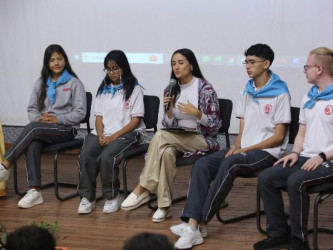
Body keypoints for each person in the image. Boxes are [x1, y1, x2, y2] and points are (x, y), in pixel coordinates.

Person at [170, 43, 291, 249]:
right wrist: (236, 146)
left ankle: (197, 223)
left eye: (252, 62)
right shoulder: (247, 89)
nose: (247, 66)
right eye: (246, 62)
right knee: (203, 165)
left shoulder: (280, 92)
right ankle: (193, 224)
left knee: (232, 163)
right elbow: (243, 127)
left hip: (267, 152)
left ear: (266, 64)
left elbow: (279, 137)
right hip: (244, 149)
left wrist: (244, 151)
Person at [253, 47, 333, 250]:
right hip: (307, 157)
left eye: (307, 66)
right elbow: (301, 132)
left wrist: (323, 156)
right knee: (267, 177)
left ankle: (299, 241)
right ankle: (279, 233)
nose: (304, 70)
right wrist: (294, 152)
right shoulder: (309, 97)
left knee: (296, 181)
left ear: (319, 69)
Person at [121, 48, 222, 223]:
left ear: (191, 65)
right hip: (176, 138)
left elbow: (215, 126)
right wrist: (169, 110)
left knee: (160, 136)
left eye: (181, 63)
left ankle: (144, 186)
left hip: (200, 138)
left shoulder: (205, 88)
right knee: (166, 152)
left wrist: (198, 114)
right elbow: (167, 126)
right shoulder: (170, 89)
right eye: (173, 63)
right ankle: (164, 206)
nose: (176, 67)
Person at [0, 44, 86, 208]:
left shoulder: (75, 83)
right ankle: (34, 191)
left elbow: (80, 113)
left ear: (65, 60)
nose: (56, 63)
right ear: (47, 63)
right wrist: (39, 118)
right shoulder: (41, 83)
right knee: (33, 140)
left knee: (33, 129)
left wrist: (57, 119)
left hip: (66, 130)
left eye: (59, 59)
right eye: (52, 60)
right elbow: (31, 109)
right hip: (42, 129)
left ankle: (5, 165)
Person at [77, 50, 145, 214]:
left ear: (124, 67)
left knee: (108, 156)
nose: (112, 72)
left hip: (128, 133)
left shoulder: (134, 89)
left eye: (115, 68)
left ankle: (112, 196)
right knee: (86, 154)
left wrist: (113, 137)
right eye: (108, 69)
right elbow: (98, 117)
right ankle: (88, 197)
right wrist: (101, 134)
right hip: (104, 133)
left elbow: (135, 120)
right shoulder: (103, 89)